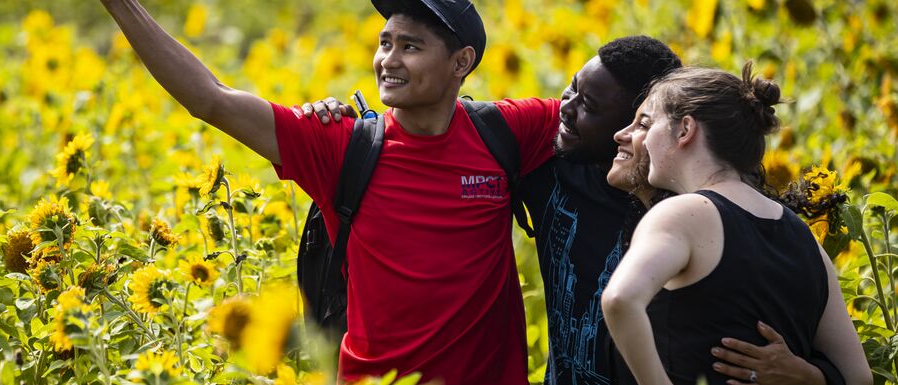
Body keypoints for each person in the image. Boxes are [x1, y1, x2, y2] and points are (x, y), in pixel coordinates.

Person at [309, 36, 847, 384]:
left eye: (598, 108)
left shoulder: (704, 213)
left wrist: (812, 376)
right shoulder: (550, 171)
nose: (567, 110)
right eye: (569, 92)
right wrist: (341, 121)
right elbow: (448, 132)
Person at [99, 0, 563, 382]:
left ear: (461, 61)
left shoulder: (505, 131)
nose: (389, 60)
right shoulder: (339, 145)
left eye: (411, 46)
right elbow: (210, 98)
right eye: (385, 43)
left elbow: (609, 109)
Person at [600, 63, 872, 385]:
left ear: (685, 130)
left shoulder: (683, 214)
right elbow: (859, 377)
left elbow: (620, 300)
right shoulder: (803, 236)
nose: (639, 140)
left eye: (649, 123)